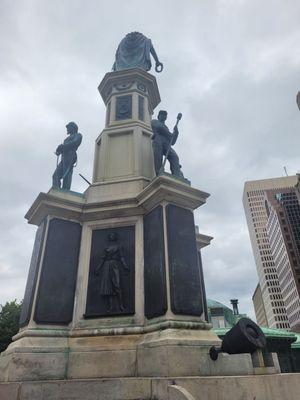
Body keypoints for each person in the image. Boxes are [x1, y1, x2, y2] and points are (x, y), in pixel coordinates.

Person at [95, 233, 129, 313]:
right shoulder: (106, 247)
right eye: (110, 235)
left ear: (115, 237)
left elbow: (122, 257)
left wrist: (125, 266)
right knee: (108, 287)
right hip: (106, 266)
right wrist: (98, 268)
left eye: (113, 235)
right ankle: (111, 307)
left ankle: (121, 305)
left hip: (114, 265)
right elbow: (103, 259)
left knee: (117, 285)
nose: (111, 236)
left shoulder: (118, 246)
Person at [151, 110, 185, 178]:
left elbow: (172, 142)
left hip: (166, 143)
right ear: (158, 116)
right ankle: (159, 173)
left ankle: (177, 174)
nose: (163, 116)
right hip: (158, 140)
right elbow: (159, 127)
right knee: (158, 157)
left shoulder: (166, 128)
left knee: (174, 156)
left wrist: (176, 133)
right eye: (162, 115)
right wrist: (170, 134)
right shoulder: (154, 121)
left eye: (165, 115)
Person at [52, 122, 82, 190]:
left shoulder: (78, 135)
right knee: (55, 175)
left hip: (70, 157)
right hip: (64, 157)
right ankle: (56, 191)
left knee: (67, 176)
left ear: (73, 128)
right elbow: (64, 148)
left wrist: (63, 146)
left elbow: (75, 142)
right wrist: (59, 150)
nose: (67, 129)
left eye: (68, 128)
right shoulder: (66, 138)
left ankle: (65, 191)